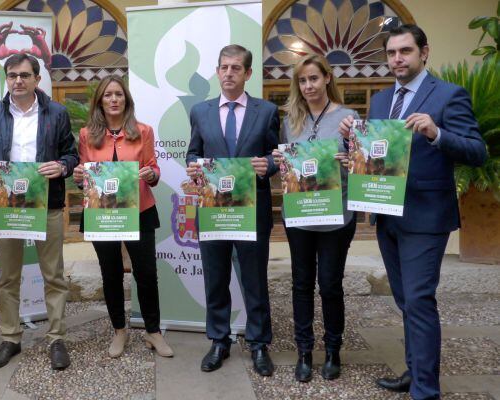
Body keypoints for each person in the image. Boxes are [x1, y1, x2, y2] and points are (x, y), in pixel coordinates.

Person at [339, 24, 487, 399]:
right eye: (391, 53)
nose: (397, 59)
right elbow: (378, 156)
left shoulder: (449, 95)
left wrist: (437, 134)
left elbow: (477, 151)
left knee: (420, 300)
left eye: (405, 51)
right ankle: (414, 371)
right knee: (405, 300)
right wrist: (350, 147)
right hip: (387, 213)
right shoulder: (380, 101)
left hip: (426, 216)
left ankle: (425, 390)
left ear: (424, 52)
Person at [0, 53, 79, 371]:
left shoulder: (56, 113)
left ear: (37, 79)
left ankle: (56, 337)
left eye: (24, 75)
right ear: (7, 79)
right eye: (12, 75)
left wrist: (62, 166)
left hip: (47, 203)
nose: (18, 80)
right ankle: (10, 338)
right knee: (8, 277)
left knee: (54, 276)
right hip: (8, 205)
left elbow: (71, 154)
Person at [185, 45, 280, 375]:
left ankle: (258, 344)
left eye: (236, 68)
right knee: (215, 277)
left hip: (252, 211)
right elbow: (193, 153)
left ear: (248, 73)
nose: (229, 73)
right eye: (224, 67)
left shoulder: (266, 111)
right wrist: (194, 168)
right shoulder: (201, 111)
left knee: (254, 279)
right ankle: (219, 340)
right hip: (213, 209)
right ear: (217, 71)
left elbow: (277, 156)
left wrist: (266, 165)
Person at [72, 76, 173, 358]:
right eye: (108, 95)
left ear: (126, 100)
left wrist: (152, 174)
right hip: (101, 213)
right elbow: (83, 173)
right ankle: (119, 330)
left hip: (139, 211)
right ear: (100, 101)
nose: (114, 99)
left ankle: (153, 332)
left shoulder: (143, 131)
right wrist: (79, 176)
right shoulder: (86, 135)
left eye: (118, 94)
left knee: (147, 274)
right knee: (111, 274)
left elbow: (153, 168)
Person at [272, 54, 357, 383]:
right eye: (302, 80)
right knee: (301, 284)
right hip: (300, 216)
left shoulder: (348, 117)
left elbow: (361, 164)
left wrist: (350, 158)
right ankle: (304, 352)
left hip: (337, 215)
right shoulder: (290, 120)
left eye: (313, 79)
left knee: (331, 286)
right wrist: (281, 160)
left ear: (327, 78)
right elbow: (285, 170)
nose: (308, 86)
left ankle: (333, 350)